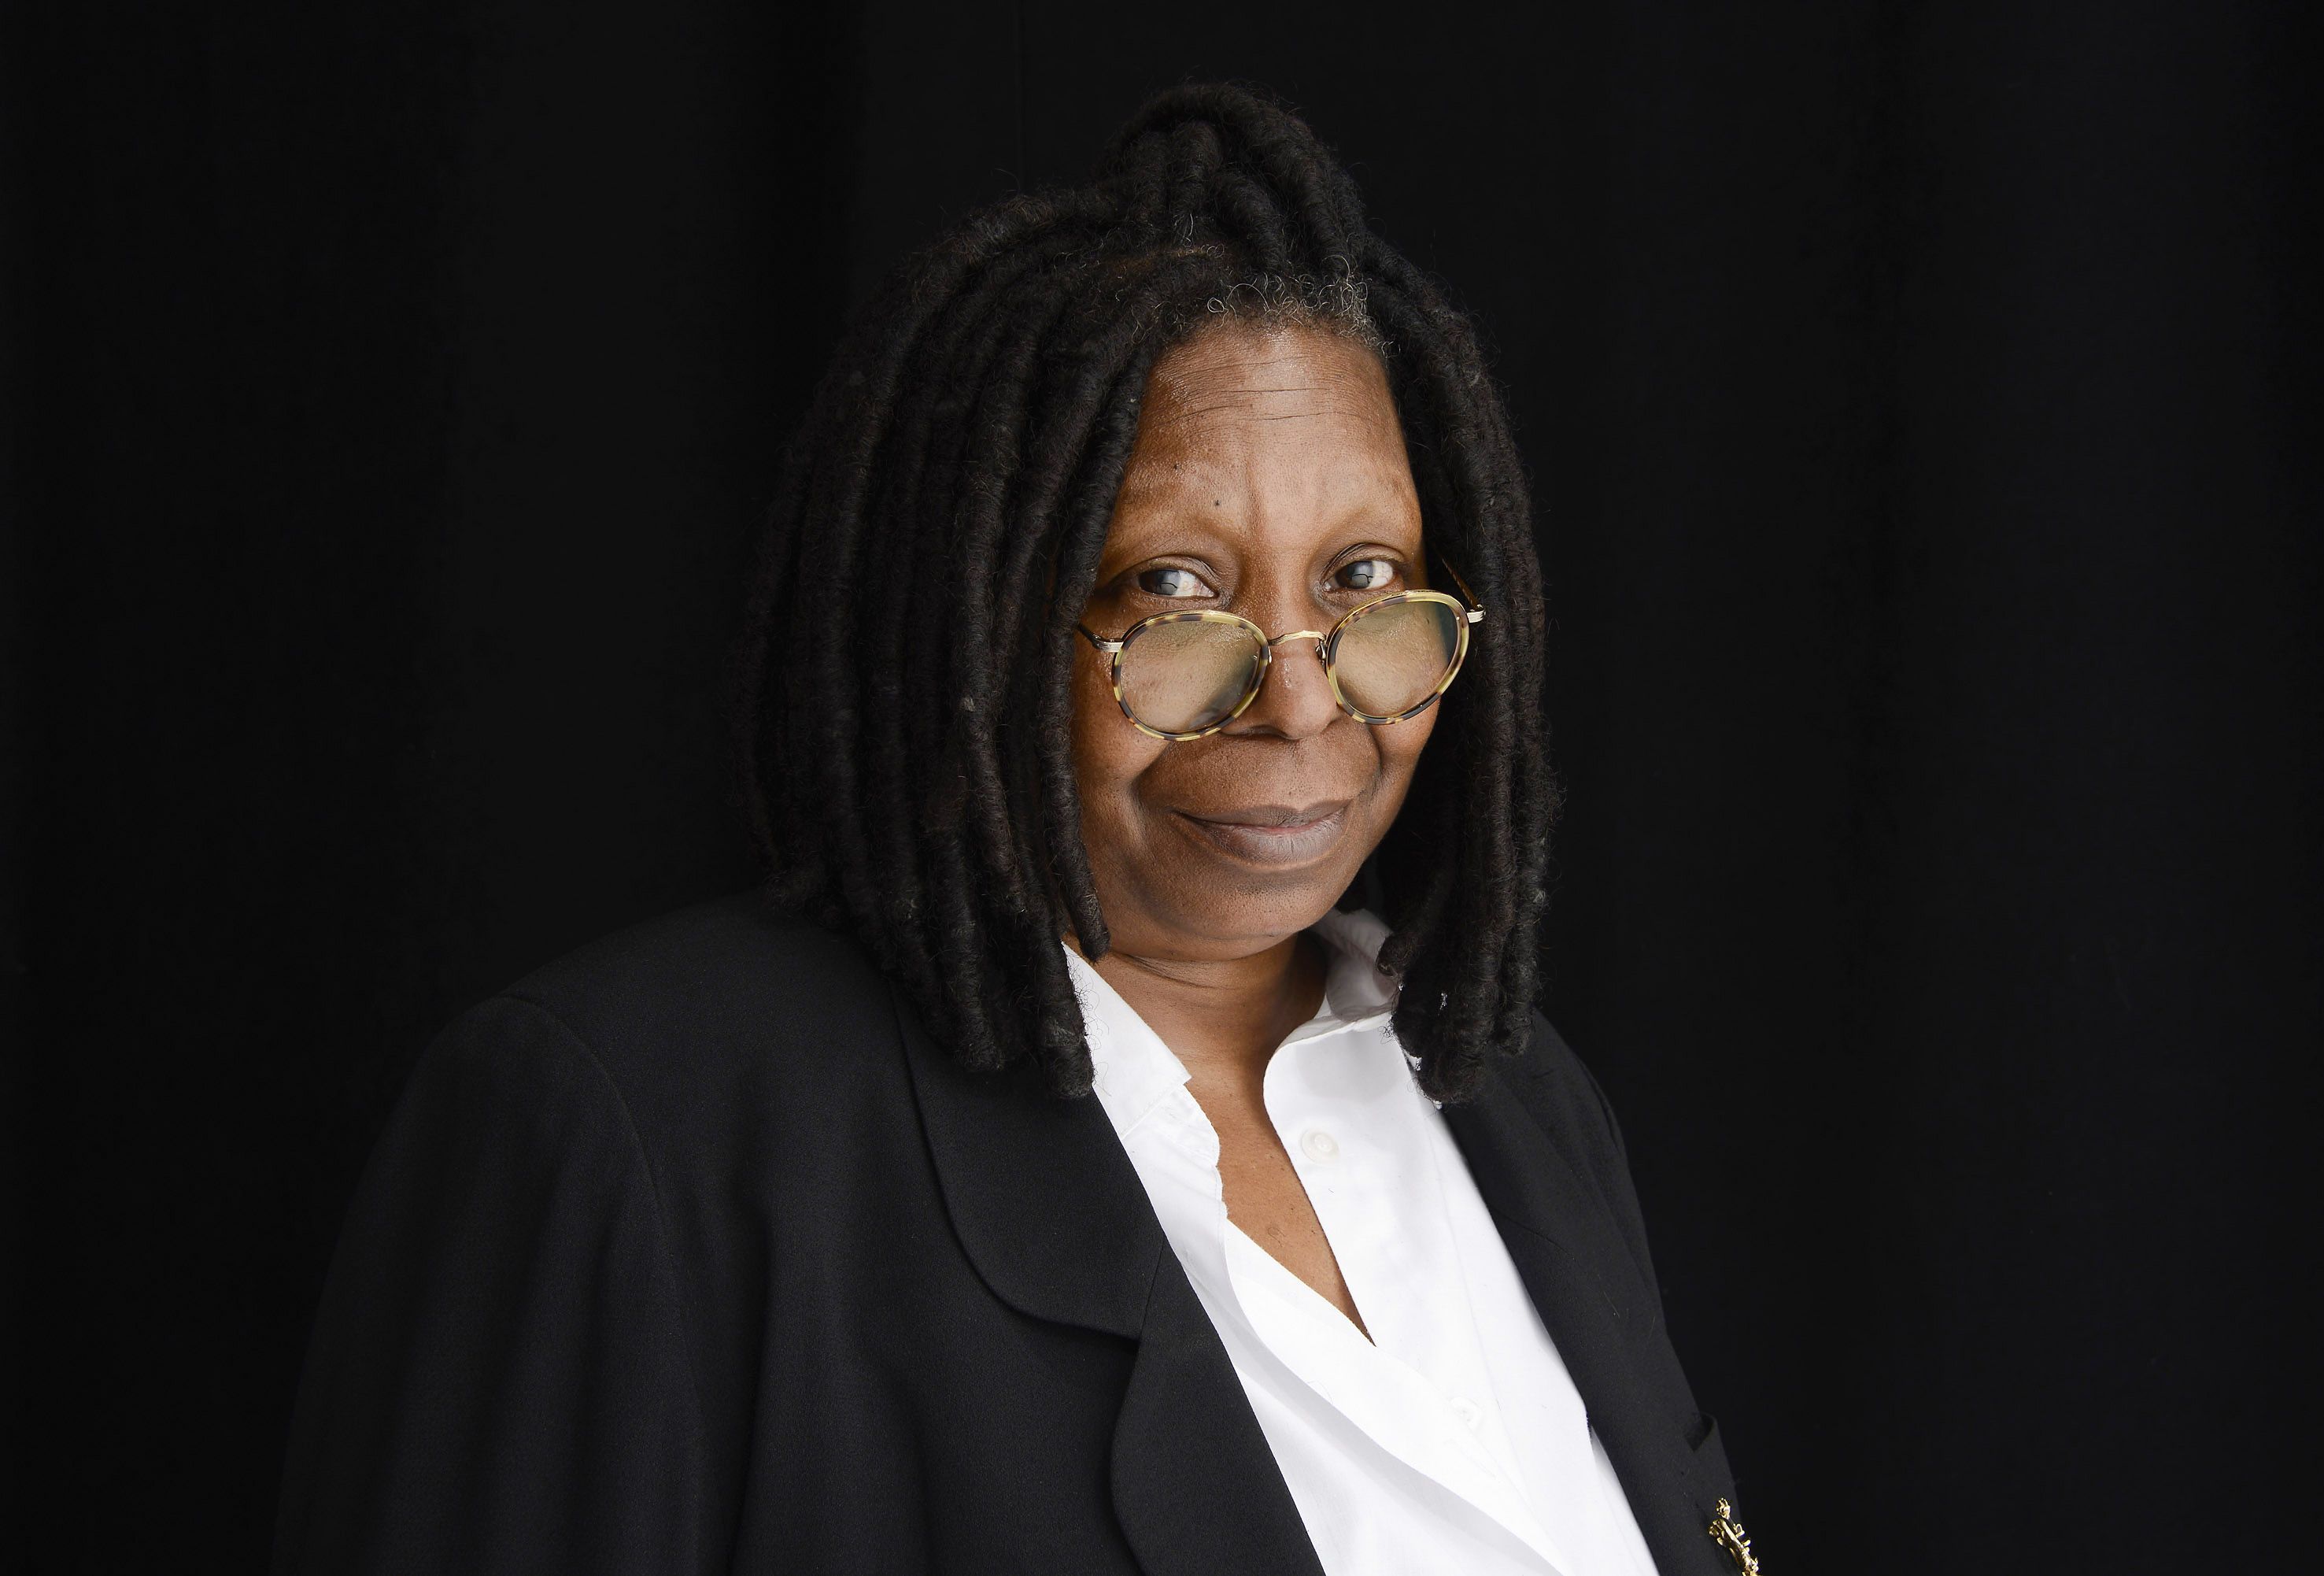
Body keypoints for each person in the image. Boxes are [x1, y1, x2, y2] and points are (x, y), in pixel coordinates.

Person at [272, 82, 1749, 1576]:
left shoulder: (1509, 1096)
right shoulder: (641, 1143)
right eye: (1176, 595)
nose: (1303, 705)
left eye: (1367, 577)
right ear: (978, 625)